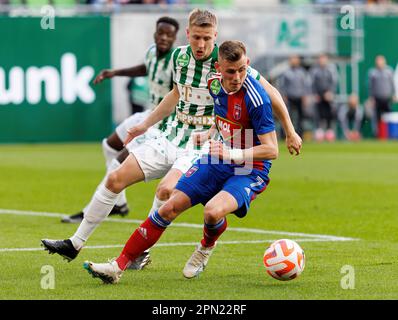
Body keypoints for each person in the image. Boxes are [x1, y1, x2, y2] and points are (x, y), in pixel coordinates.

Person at [41, 9, 301, 272]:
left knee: (167, 192)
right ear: (187, 34)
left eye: (207, 39)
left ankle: (142, 253)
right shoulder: (179, 57)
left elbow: (272, 94)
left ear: (216, 37)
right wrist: (144, 124)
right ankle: (75, 243)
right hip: (170, 133)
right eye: (196, 37)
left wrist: (290, 131)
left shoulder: (230, 64)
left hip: (201, 146)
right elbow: (176, 94)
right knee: (115, 178)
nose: (201, 45)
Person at [83, 40, 278, 284]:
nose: (237, 77)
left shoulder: (256, 98)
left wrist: (234, 154)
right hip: (218, 157)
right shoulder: (213, 83)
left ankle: (205, 247)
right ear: (218, 68)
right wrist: (209, 134)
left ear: (247, 64)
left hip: (249, 168)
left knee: (212, 211)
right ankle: (117, 266)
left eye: (241, 69)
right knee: (168, 207)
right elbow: (222, 112)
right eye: (231, 71)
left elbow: (271, 149)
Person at [61, 16, 180, 224]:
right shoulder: (152, 52)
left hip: (161, 121)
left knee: (118, 164)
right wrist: (114, 73)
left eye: (169, 35)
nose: (164, 38)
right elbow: (145, 68)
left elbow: (179, 93)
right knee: (109, 145)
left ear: (174, 38)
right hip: (148, 112)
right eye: (161, 33)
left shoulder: (176, 61)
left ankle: (90, 212)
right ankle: (119, 203)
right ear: (155, 33)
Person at [279, 54, 310, 138]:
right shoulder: (286, 72)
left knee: (300, 118)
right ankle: (285, 135)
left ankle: (300, 135)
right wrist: (283, 97)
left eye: (295, 59)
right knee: (287, 117)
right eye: (292, 59)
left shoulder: (302, 72)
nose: (294, 61)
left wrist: (305, 97)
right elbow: (282, 86)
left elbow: (306, 85)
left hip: (299, 97)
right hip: (289, 97)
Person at [310, 54, 338, 142]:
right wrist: (314, 94)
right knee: (318, 113)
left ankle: (329, 132)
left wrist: (330, 92)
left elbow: (334, 82)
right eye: (321, 59)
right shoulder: (315, 70)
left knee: (329, 113)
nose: (322, 61)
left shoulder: (331, 70)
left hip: (328, 95)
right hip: (318, 94)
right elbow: (311, 83)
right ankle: (319, 132)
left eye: (324, 59)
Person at [367, 55, 396, 138]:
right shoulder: (372, 72)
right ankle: (377, 134)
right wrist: (371, 97)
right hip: (377, 98)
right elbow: (370, 86)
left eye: (381, 61)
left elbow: (392, 84)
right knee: (376, 117)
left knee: (389, 116)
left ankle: (390, 134)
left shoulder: (389, 71)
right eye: (378, 61)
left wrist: (394, 94)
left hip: (387, 98)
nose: (379, 63)